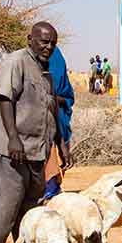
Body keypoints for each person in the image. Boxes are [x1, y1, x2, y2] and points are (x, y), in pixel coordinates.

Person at [0, 22, 71, 243]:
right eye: (43, 41)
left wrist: (61, 145)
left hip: (35, 153)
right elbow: (5, 99)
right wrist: (13, 138)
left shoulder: (46, 72)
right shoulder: (16, 62)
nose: (48, 47)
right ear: (30, 39)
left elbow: (49, 111)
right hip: (8, 152)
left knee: (30, 219)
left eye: (52, 43)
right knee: (1, 217)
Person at [39, 42, 75, 202]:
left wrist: (52, 98)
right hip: (38, 123)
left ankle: (51, 190)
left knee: (55, 157)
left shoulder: (60, 80)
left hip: (57, 121)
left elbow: (68, 97)